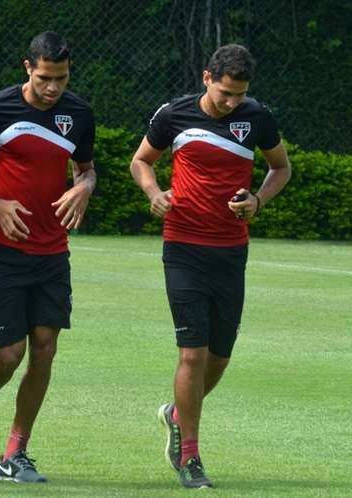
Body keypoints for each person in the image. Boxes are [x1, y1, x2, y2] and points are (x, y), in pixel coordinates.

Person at [129, 44, 291, 489]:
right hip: (182, 247)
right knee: (192, 353)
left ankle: (176, 414)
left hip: (230, 250)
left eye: (239, 95)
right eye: (224, 93)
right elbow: (141, 161)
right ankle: (191, 456)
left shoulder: (257, 117)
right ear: (206, 78)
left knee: (219, 358)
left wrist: (258, 199)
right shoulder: (173, 115)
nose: (231, 102)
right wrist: (153, 193)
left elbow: (281, 168)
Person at [0, 32, 95, 483]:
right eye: (46, 78)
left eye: (62, 79)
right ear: (27, 68)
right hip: (4, 250)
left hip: (53, 252)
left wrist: (83, 188)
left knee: (45, 350)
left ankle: (15, 453)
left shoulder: (79, 113)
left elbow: (86, 170)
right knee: (10, 353)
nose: (54, 88)